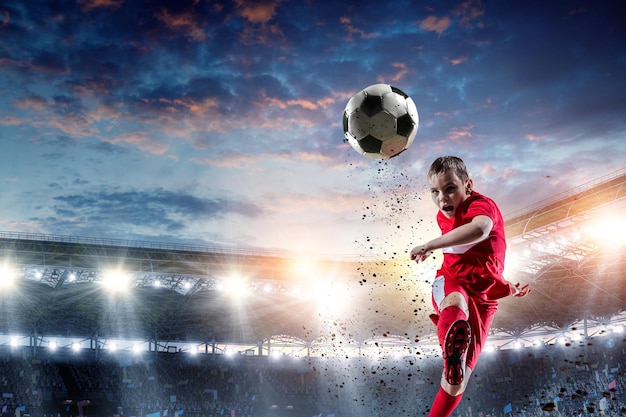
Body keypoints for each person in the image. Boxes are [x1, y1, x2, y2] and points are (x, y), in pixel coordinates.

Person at [409, 156, 530, 417]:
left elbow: (479, 231)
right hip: (451, 280)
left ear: (468, 185)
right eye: (435, 192)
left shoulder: (482, 205)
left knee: (456, 385)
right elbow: (462, 248)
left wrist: (430, 245)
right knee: (455, 303)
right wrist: (437, 246)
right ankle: (451, 342)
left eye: (450, 188)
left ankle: (453, 363)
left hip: (484, 298)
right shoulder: (442, 217)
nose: (443, 198)